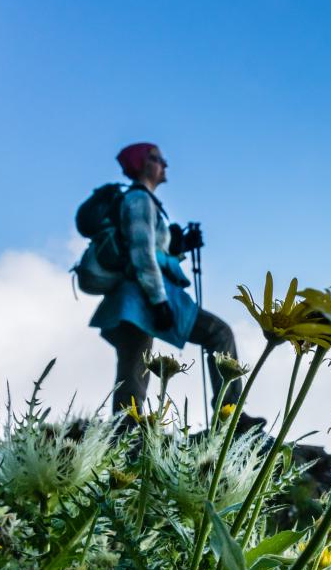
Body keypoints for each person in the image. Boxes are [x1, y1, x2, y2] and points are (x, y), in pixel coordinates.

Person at [89, 142, 240, 419]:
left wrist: (180, 247)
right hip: (142, 297)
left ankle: (126, 434)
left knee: (134, 367)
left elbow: (153, 253)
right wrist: (159, 302)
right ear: (144, 164)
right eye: (159, 159)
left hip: (135, 299)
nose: (165, 165)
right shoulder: (139, 200)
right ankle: (231, 417)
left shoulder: (141, 201)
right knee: (218, 334)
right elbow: (142, 254)